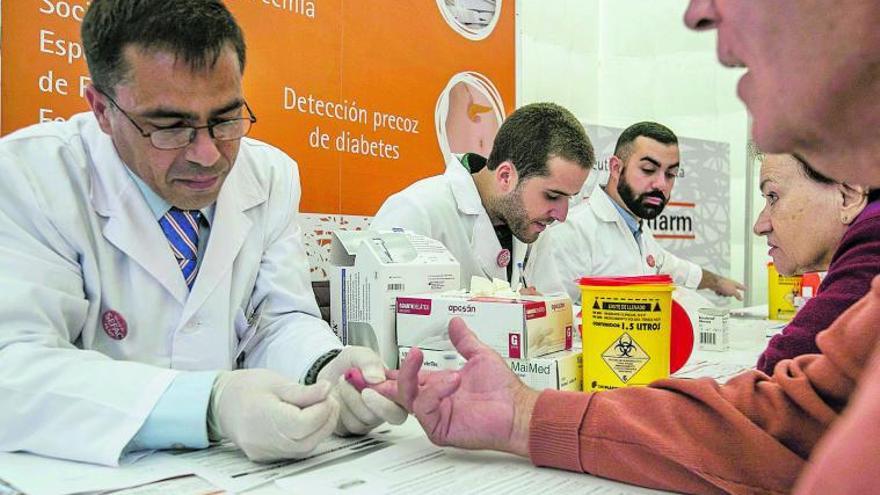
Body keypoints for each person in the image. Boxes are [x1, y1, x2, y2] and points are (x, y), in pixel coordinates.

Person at [368, 1, 880, 493]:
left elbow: (779, 421)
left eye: (672, 174)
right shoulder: (421, 215)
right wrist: (526, 411)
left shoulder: (592, 228)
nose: (697, 14)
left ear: (851, 190)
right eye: (649, 169)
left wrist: (528, 414)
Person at [0, 0, 405, 466]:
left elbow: (277, 319)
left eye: (226, 118)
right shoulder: (30, 177)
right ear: (102, 110)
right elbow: (14, 368)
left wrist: (326, 369)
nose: (209, 155)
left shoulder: (269, 175)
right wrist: (209, 403)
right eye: (170, 126)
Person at [371, 102, 594, 294]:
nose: (562, 215)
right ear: (506, 176)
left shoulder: (531, 226)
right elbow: (378, 327)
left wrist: (539, 315)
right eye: (552, 196)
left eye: (569, 198)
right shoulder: (417, 211)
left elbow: (554, 309)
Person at [547, 121, 745, 303]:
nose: (661, 184)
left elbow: (675, 269)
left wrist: (717, 282)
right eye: (648, 169)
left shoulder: (637, 228)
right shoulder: (571, 231)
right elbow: (555, 313)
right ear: (616, 168)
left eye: (671, 174)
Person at [754, 153, 879, 373]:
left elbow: (778, 374)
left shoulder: (874, 241)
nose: (760, 225)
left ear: (848, 197)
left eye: (773, 196)